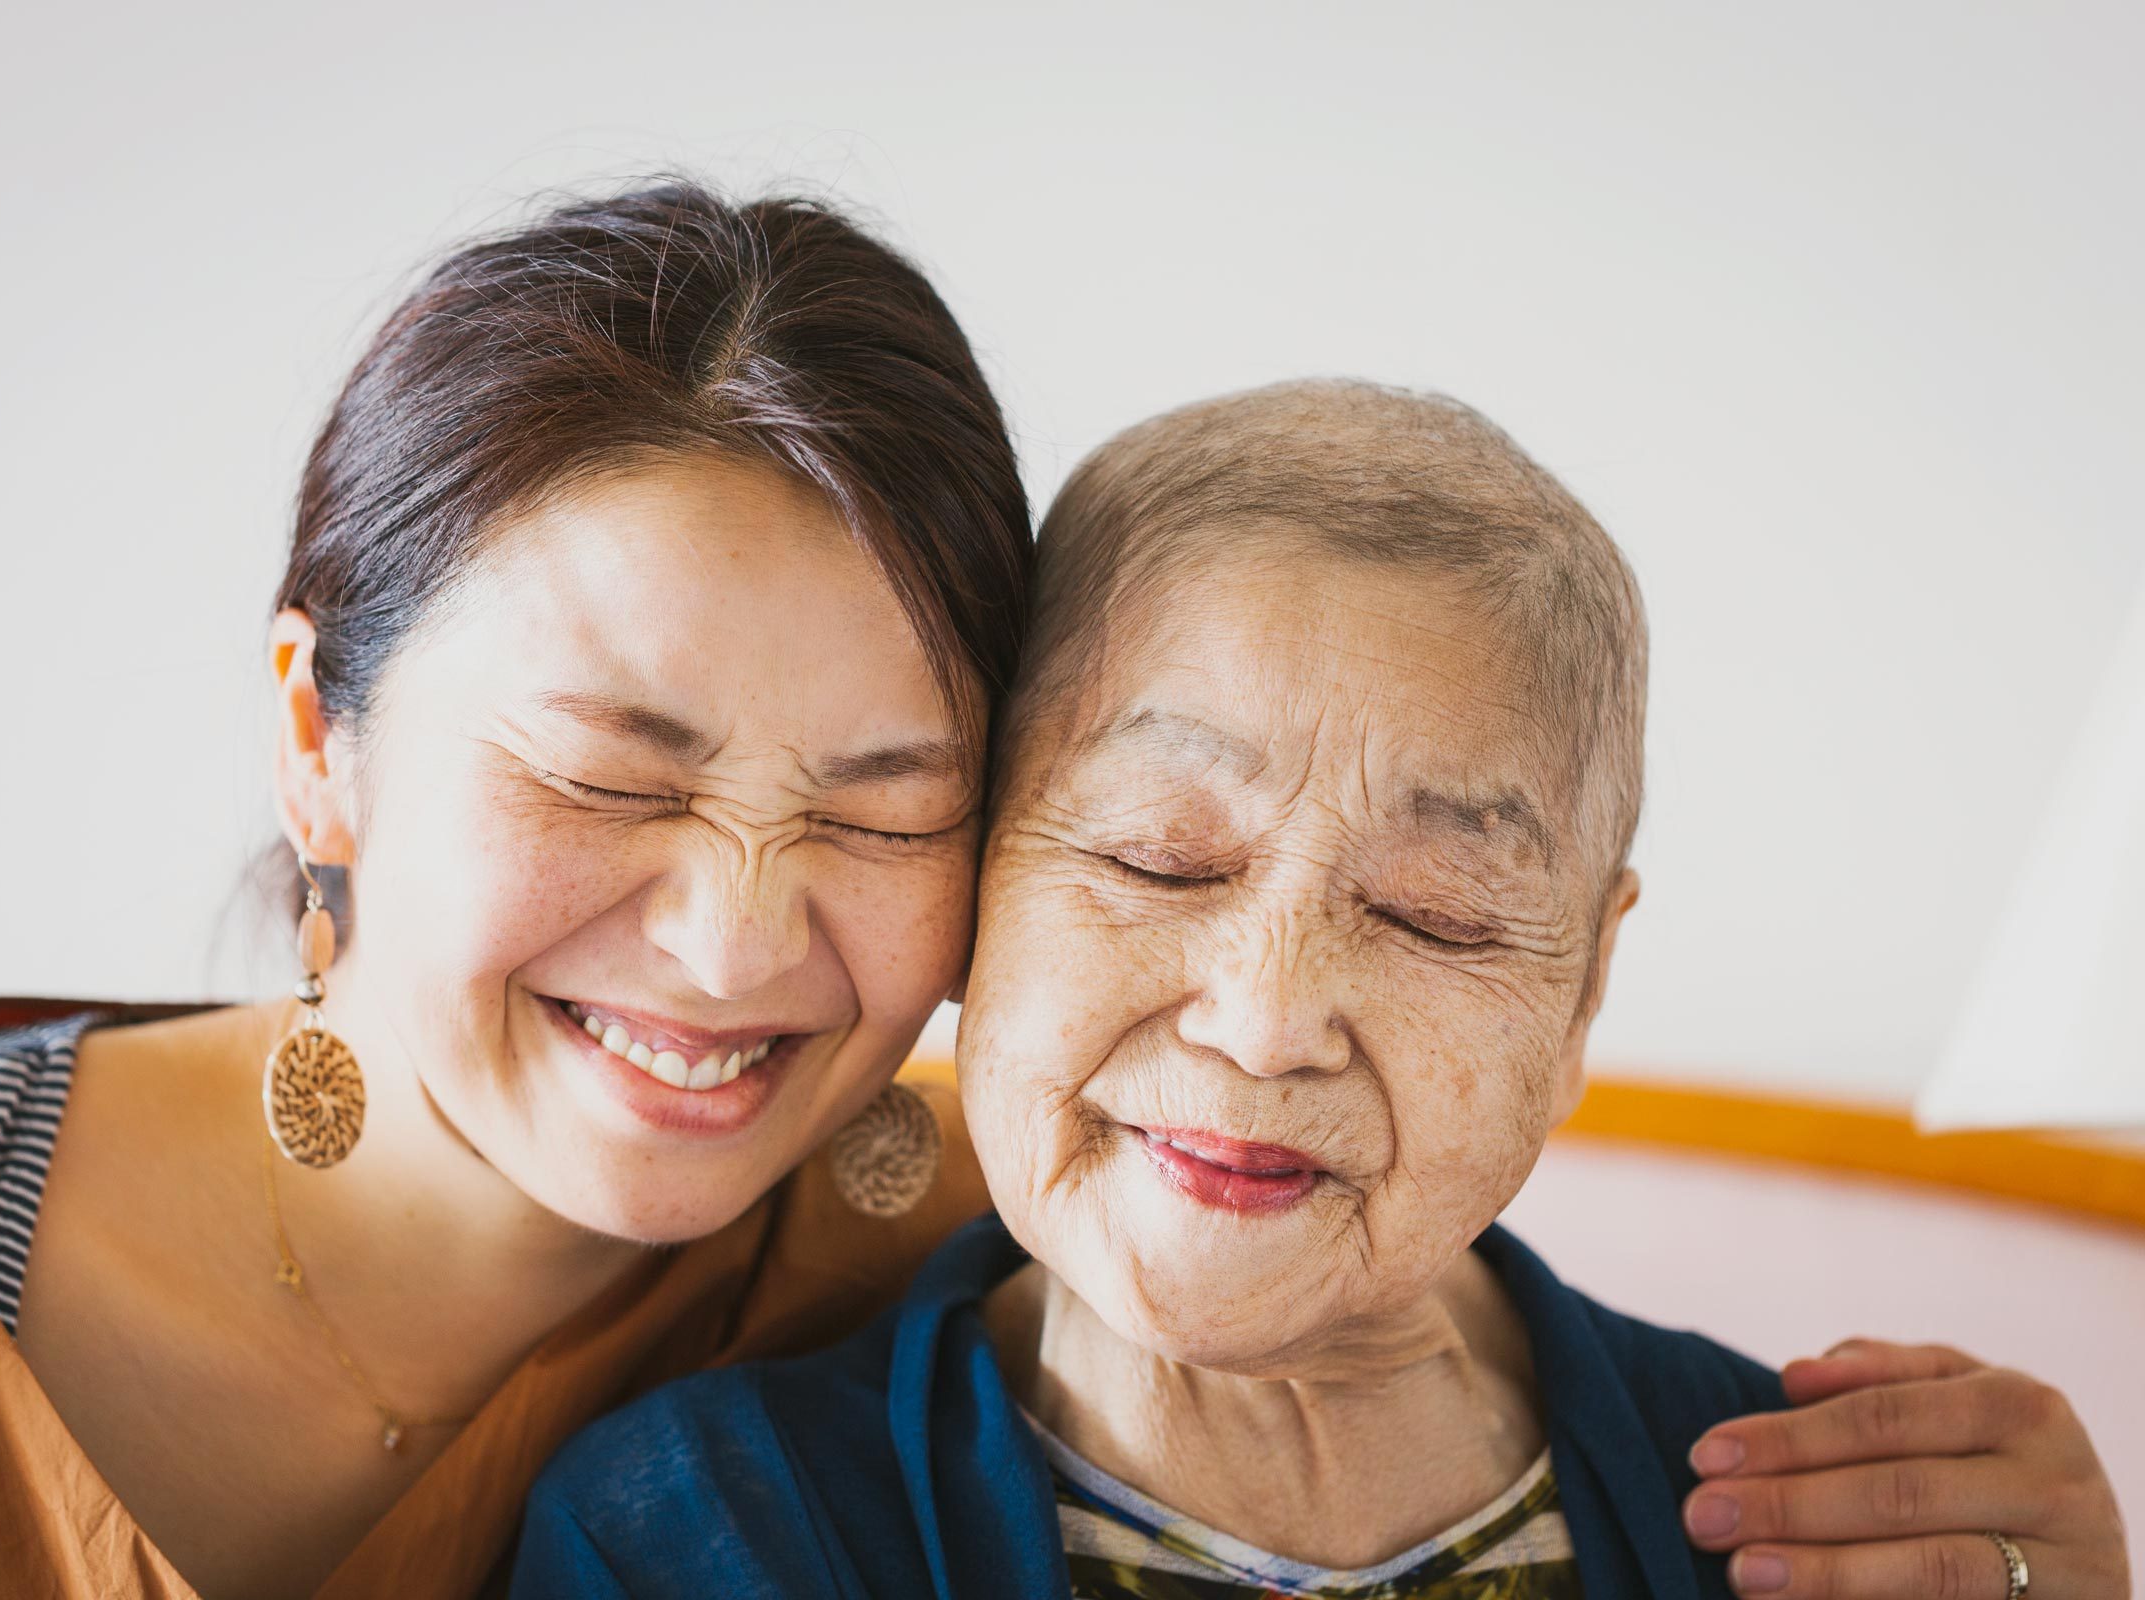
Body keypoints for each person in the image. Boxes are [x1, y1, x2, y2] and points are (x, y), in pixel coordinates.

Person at [0, 192, 2121, 1600]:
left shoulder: (1048, 1230)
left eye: (885, 804)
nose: (731, 937)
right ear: (317, 729)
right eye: (608, 769)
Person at [512, 380, 2131, 1600]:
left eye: (1433, 915)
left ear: (1584, 993)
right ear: (975, 889)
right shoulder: (711, 1524)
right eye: (1159, 860)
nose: (1268, 1016)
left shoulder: (1821, 1517)